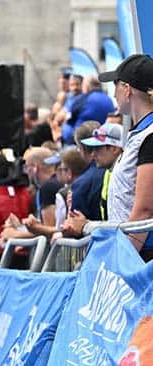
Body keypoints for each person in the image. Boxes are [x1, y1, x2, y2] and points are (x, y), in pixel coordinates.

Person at [98, 55, 153, 260]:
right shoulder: (140, 134)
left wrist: (121, 260)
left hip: (142, 257)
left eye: (115, 86)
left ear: (127, 89)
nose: (114, 94)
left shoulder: (150, 136)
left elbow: (145, 211)